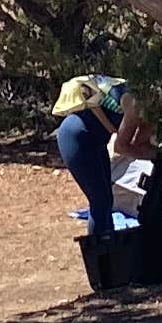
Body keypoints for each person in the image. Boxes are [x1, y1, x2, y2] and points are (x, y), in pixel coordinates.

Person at [50, 74, 122, 233]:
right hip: (76, 137)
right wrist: (112, 129)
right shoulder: (128, 98)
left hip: (96, 142)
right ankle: (98, 252)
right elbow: (92, 102)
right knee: (99, 201)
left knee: (107, 199)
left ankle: (109, 245)